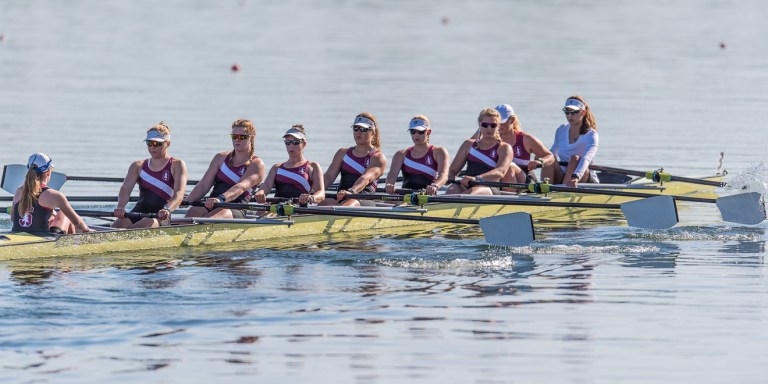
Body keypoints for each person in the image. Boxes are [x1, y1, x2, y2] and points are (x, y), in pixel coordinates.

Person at [184, 119, 266, 218]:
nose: (237, 139)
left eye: (242, 137)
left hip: (235, 208)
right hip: (213, 203)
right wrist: (186, 201)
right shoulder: (220, 158)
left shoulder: (257, 164)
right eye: (234, 136)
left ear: (251, 138)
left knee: (220, 214)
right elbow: (203, 185)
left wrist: (221, 199)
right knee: (193, 212)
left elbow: (240, 187)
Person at [113, 122, 188, 229]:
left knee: (142, 226)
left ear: (168, 143)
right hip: (137, 212)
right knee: (118, 225)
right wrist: (120, 207)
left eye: (157, 144)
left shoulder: (177, 165)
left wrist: (167, 209)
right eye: (149, 143)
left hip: (161, 216)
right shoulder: (137, 166)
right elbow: (126, 188)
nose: (153, 147)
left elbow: (179, 194)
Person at [472, 104, 554, 183]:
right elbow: (469, 149)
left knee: (509, 166)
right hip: (499, 180)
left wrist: (540, 162)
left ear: (512, 120)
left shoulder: (525, 139)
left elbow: (550, 156)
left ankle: (507, 194)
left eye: (502, 122)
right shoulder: (486, 135)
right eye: (495, 123)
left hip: (526, 181)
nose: (498, 126)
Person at [11, 153, 90, 234]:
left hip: (16, 234)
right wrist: (87, 230)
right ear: (48, 172)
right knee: (64, 213)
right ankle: (73, 243)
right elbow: (77, 222)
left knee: (52, 215)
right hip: (41, 239)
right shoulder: (54, 195)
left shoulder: (19, 191)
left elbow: (13, 218)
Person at [320, 112, 387, 206]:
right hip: (342, 197)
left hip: (363, 200)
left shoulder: (378, 157)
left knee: (350, 204)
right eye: (356, 128)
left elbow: (366, 178)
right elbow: (329, 177)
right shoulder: (342, 153)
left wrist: (352, 191)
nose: (358, 132)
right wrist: (313, 192)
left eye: (363, 129)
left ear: (372, 132)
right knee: (324, 202)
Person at [446, 108, 513, 195]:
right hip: (467, 184)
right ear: (479, 125)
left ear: (498, 126)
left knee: (472, 193)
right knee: (453, 189)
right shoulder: (468, 144)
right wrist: (448, 177)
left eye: (493, 125)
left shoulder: (504, 148)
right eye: (485, 125)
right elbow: (453, 170)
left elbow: (500, 172)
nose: (489, 128)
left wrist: (476, 178)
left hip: (489, 187)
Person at [252, 125, 325, 206]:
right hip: (277, 208)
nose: (291, 146)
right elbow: (266, 186)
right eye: (288, 142)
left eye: (295, 142)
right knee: (261, 212)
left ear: (304, 144)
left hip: (299, 209)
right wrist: (260, 193)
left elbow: (321, 193)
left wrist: (311, 198)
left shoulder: (312, 167)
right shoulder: (276, 168)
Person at [541, 96, 599, 187]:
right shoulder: (561, 130)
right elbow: (552, 153)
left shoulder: (591, 135)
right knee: (549, 159)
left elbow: (586, 159)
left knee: (574, 159)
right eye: (567, 111)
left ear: (583, 112)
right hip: (564, 175)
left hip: (582, 176)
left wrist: (576, 176)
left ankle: (562, 193)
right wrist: (540, 161)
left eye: (574, 112)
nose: (569, 115)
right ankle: (543, 189)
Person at [384, 115, 450, 196]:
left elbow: (444, 175)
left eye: (420, 131)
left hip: (427, 197)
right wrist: (389, 184)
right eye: (413, 131)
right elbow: (392, 174)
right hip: (404, 196)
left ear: (428, 132)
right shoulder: (400, 154)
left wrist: (435, 185)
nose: (416, 135)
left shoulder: (439, 152)